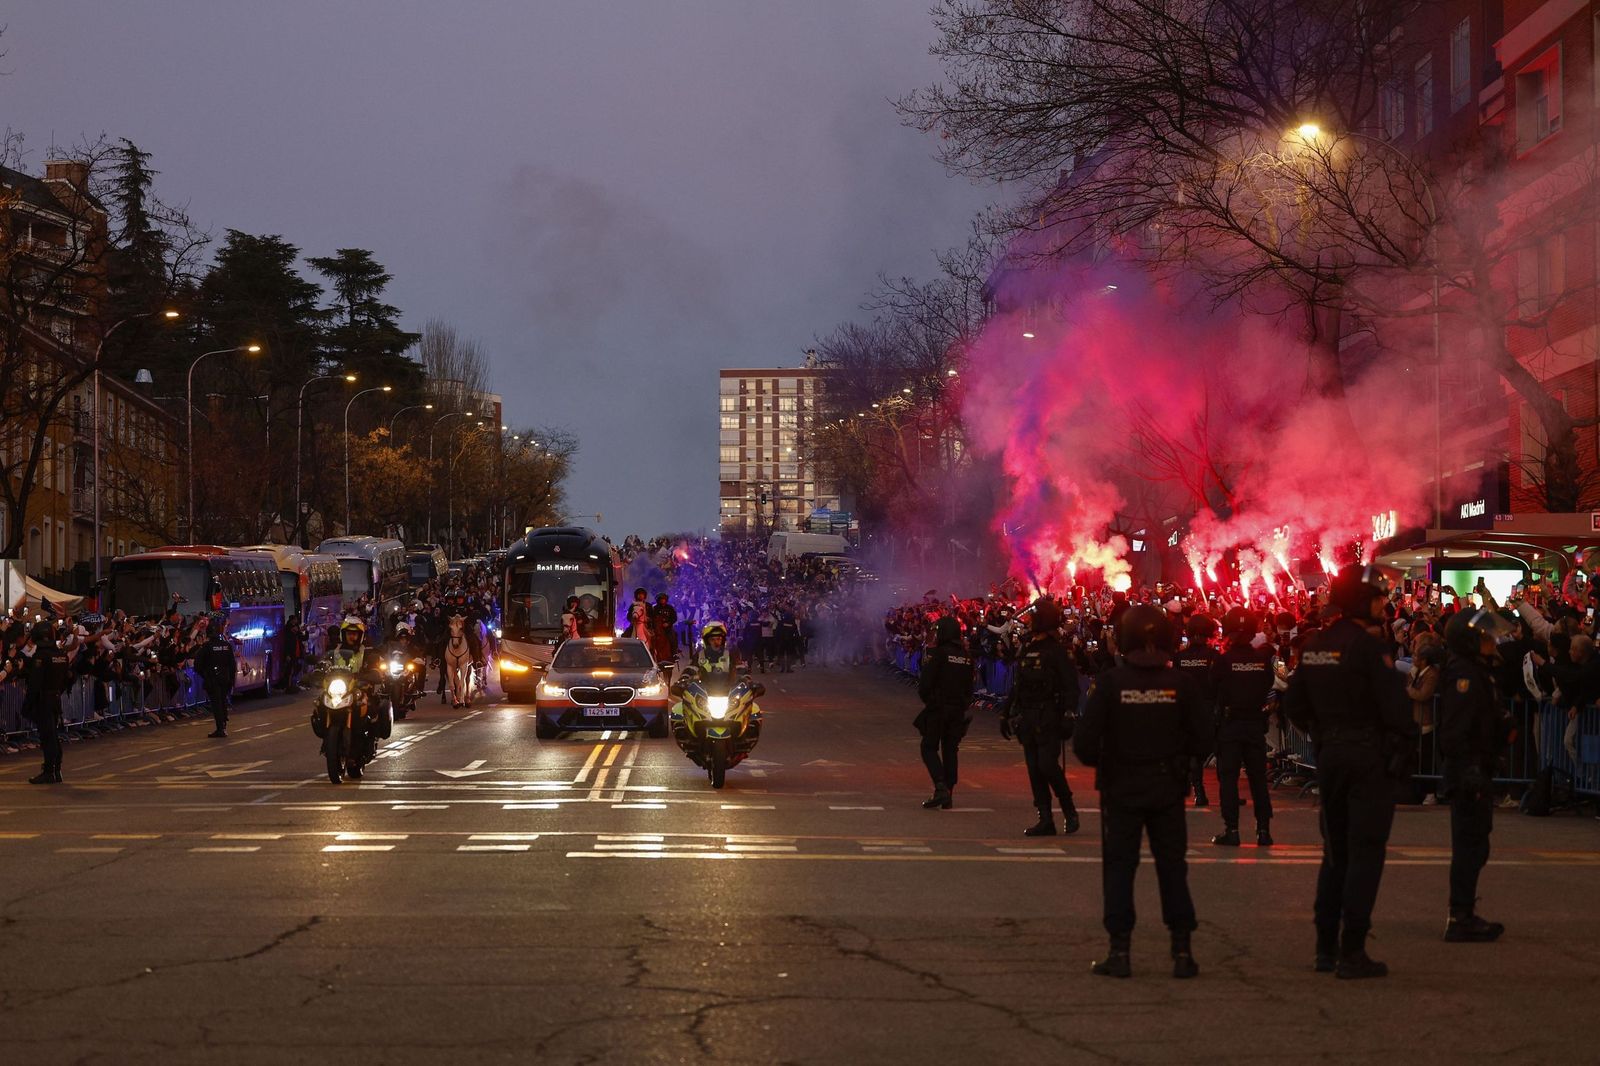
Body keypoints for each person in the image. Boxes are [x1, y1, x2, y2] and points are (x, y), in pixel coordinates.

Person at [1284, 564, 1417, 979]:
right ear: (1362, 599)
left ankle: (1325, 946)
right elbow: (1396, 709)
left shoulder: (1314, 645)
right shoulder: (1368, 648)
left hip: (1331, 756)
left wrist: (1323, 737)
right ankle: (1352, 949)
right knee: (1365, 852)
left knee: (1335, 852)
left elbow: (1295, 706)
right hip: (1366, 758)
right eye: (1378, 596)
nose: (1383, 603)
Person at [1075, 604, 1211, 979]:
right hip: (1167, 786)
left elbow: (1084, 744)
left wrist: (1109, 760)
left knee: (1120, 867)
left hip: (1121, 788)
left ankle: (1120, 951)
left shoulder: (1111, 684)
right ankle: (1182, 952)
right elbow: (1204, 737)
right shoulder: (1181, 684)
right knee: (1172, 867)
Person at [1437, 609, 1514, 943]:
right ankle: (1460, 916)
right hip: (1468, 773)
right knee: (1469, 845)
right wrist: (1470, 772)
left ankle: (1464, 911)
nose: (1490, 641)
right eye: (1484, 636)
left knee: (1476, 843)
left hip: (1477, 769)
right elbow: (1455, 731)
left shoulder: (1479, 672)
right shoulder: (1463, 675)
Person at [1000, 598, 1081, 836]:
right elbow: (1018, 684)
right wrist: (1005, 713)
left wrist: (1069, 714)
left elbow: (1070, 687)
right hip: (1027, 716)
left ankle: (1069, 809)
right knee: (1034, 769)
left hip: (1049, 716)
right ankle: (1045, 818)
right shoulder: (1027, 647)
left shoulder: (1057, 651)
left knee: (1047, 765)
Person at [1211, 609, 1276, 847]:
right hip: (1254, 725)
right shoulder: (1261, 659)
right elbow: (1268, 683)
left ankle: (1233, 830)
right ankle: (1263, 831)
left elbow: (1213, 687)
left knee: (1228, 779)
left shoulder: (1223, 660)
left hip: (1231, 725)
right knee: (1258, 779)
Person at [916, 616, 976, 810]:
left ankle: (940, 786)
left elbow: (925, 683)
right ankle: (948, 794)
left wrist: (930, 701)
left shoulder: (940, 654)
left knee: (928, 747)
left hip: (939, 708)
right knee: (951, 750)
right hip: (957, 710)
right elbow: (970, 688)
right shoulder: (966, 656)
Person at [18, 623, 71, 784]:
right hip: (55, 698)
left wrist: (27, 705)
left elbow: (35, 683)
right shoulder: (61, 655)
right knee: (53, 735)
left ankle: (49, 771)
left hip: (44, 700)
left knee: (47, 736)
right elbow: (66, 678)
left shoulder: (41, 656)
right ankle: (56, 769)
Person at [1175, 614, 1218, 808]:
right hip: (1209, 708)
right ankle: (1224, 792)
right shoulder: (1214, 656)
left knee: (1194, 753)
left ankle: (1199, 791)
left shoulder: (1179, 657)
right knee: (1220, 751)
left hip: (1186, 710)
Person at [191, 614, 237, 738]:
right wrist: (231, 679)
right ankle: (223, 725)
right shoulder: (226, 646)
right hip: (225, 678)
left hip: (213, 679)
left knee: (216, 704)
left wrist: (205, 675)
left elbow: (198, 664)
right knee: (223, 702)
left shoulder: (207, 647)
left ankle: (220, 728)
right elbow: (232, 664)